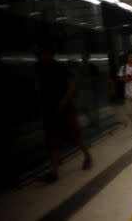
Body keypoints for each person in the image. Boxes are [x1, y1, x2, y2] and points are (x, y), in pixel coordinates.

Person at [35, 43, 92, 183]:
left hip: (65, 109)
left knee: (75, 135)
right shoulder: (40, 69)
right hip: (49, 110)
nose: (40, 57)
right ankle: (54, 172)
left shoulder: (60, 67)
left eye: (42, 54)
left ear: (49, 54)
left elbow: (71, 83)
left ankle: (87, 155)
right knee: (52, 141)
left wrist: (65, 100)